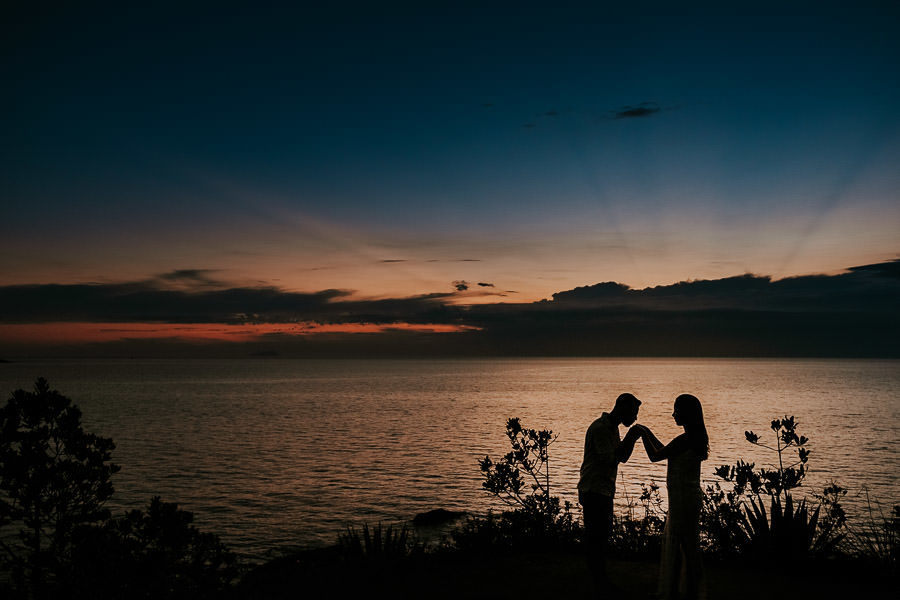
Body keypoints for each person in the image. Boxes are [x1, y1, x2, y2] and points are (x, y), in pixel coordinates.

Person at [635, 394, 709, 600]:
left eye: (676, 410)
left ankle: (683, 590)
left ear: (686, 413)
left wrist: (642, 434)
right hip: (684, 498)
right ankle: (680, 589)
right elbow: (665, 450)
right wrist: (647, 431)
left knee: (683, 544)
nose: (673, 414)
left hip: (683, 499)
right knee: (683, 543)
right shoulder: (692, 438)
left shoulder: (686, 439)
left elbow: (655, 455)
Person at [577, 392, 643, 594]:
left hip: (603, 488)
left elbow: (620, 457)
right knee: (597, 536)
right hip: (594, 488)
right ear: (623, 409)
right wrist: (631, 437)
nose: (635, 418)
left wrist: (631, 438)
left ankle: (598, 579)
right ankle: (598, 581)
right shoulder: (601, 429)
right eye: (634, 413)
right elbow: (611, 459)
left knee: (602, 534)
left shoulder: (612, 428)